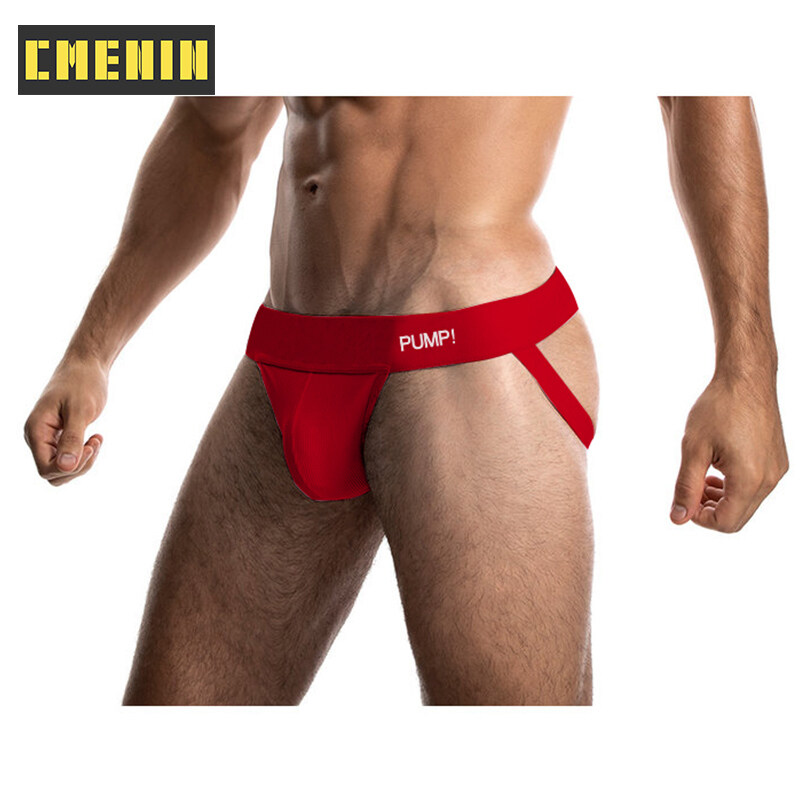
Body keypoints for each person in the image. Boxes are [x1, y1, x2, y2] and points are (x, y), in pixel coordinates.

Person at [23, 97, 788, 705]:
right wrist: (92, 348)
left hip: (470, 340)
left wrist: (748, 370)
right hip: (291, 347)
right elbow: (209, 133)